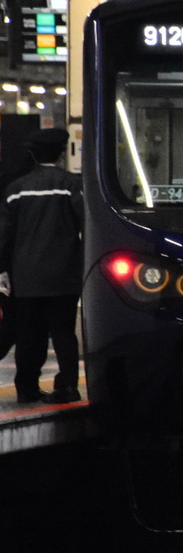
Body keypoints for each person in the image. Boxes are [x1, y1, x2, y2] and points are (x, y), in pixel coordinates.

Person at [0, 128, 83, 404]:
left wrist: (4, 271)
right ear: (61, 152)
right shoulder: (72, 185)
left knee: (28, 335)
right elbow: (86, 224)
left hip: (25, 277)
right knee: (63, 333)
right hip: (64, 275)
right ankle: (68, 386)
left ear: (34, 154)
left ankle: (26, 387)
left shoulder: (15, 190)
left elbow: (4, 235)